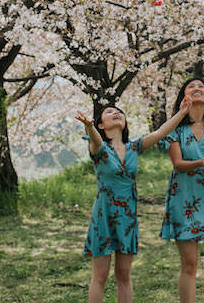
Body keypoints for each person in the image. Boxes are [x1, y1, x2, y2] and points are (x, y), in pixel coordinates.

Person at [76, 97, 191, 303]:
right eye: (109, 112)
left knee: (124, 275)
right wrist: (89, 127)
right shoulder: (100, 149)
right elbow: (95, 140)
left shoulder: (134, 147)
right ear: (101, 124)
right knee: (100, 276)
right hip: (104, 217)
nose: (116, 112)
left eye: (118, 111)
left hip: (127, 219)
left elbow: (160, 133)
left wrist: (181, 113)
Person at [159, 78, 204, 303]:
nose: (197, 88)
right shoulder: (176, 129)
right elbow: (178, 164)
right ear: (184, 96)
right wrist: (201, 163)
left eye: (201, 86)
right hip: (183, 197)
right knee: (189, 264)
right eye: (191, 87)